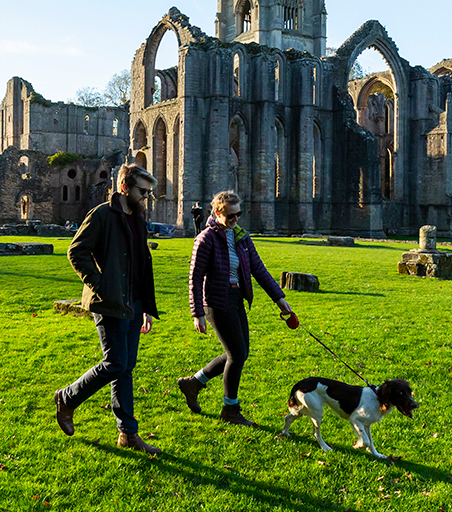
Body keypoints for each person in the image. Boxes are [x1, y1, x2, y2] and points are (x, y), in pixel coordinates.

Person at [54, 164, 161, 454]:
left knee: (125, 368)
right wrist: (100, 284)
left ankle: (127, 433)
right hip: (108, 302)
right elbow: (76, 251)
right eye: (142, 191)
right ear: (125, 188)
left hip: (132, 303)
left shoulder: (138, 217)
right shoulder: (102, 214)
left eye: (149, 193)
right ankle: (67, 397)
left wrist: (145, 307)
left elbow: (141, 265)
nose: (146, 197)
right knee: (114, 364)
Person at [177, 190, 292, 427]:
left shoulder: (241, 236)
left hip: (237, 298)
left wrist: (279, 299)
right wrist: (197, 313)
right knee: (237, 354)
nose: (236, 220)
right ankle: (230, 410)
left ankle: (193, 384)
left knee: (238, 354)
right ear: (217, 213)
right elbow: (195, 277)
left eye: (239, 214)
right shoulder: (206, 238)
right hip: (217, 302)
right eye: (231, 216)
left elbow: (259, 270)